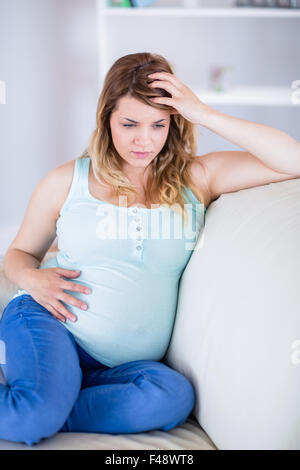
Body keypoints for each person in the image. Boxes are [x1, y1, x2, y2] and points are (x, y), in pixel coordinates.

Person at [1, 52, 300, 446]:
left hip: (123, 368)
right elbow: (18, 253)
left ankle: (52, 402)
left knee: (172, 395)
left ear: (173, 122)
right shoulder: (66, 181)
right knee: (31, 416)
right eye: (129, 124)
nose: (144, 139)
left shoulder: (197, 177)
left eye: (158, 124)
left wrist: (203, 112)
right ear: (107, 119)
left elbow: (292, 160)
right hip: (52, 325)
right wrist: (32, 279)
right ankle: (41, 406)